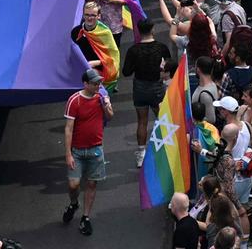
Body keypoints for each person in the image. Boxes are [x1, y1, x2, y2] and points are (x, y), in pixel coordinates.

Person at [63, 67, 113, 235]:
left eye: (99, 82)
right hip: (77, 150)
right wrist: (68, 154)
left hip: (96, 149)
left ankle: (85, 217)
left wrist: (106, 106)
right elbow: (68, 129)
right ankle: (73, 203)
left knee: (92, 183)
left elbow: (110, 116)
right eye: (95, 83)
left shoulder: (101, 97)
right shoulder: (74, 101)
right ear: (85, 84)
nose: (98, 85)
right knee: (74, 184)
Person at [125, 19, 174, 160]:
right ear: (152, 30)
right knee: (163, 119)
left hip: (140, 88)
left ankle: (141, 154)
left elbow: (126, 72)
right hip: (157, 87)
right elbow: (169, 65)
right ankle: (166, 152)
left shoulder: (133, 50)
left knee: (142, 121)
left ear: (139, 32)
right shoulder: (162, 47)